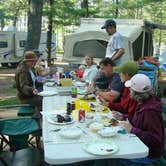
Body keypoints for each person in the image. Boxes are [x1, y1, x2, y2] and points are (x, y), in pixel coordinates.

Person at [117, 74, 164, 164]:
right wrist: (123, 116)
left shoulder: (149, 111)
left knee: (115, 157)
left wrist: (132, 129)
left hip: (148, 154)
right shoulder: (145, 102)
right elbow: (140, 121)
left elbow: (155, 139)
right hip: (140, 146)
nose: (129, 91)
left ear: (135, 92)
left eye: (130, 89)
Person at [15, 51, 43, 119]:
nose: (34, 63)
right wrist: (32, 90)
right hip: (25, 97)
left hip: (31, 94)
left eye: (34, 61)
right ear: (27, 61)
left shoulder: (29, 68)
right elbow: (23, 86)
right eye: (32, 61)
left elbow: (34, 80)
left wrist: (42, 81)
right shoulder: (23, 71)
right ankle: (39, 119)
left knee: (45, 98)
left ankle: (40, 116)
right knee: (43, 100)